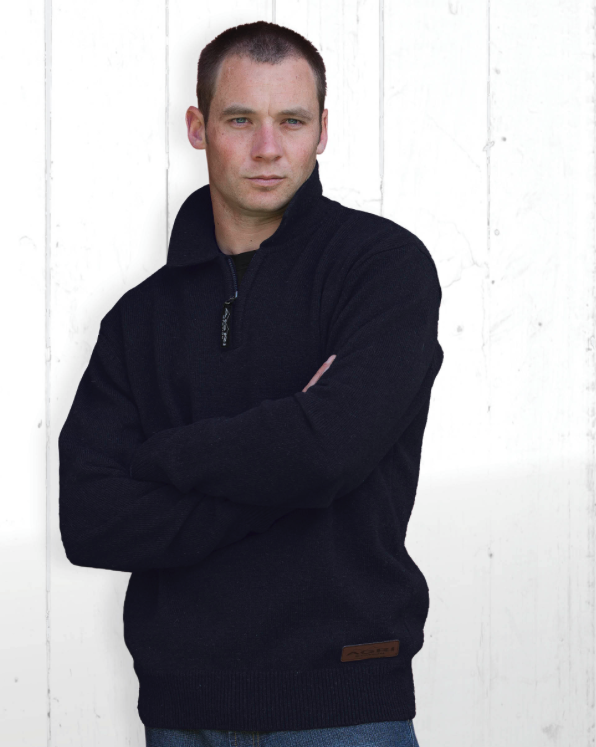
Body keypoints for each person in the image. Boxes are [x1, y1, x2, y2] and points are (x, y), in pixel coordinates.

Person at [58, 20, 443, 747]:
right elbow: (90, 519)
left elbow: (326, 453)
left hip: (343, 705)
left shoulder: (381, 269)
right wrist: (291, 451)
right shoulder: (139, 319)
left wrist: (160, 458)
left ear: (322, 130)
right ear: (197, 127)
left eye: (291, 121)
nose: (268, 148)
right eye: (240, 120)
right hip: (182, 711)